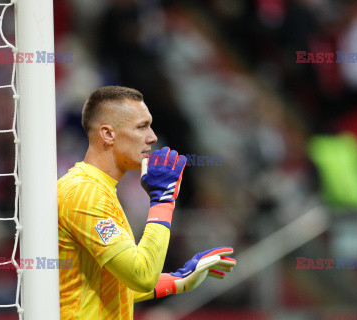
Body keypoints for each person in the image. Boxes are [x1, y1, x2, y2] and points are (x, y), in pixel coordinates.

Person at [57, 86, 236, 319]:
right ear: (108, 135)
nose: (152, 137)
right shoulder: (84, 193)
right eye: (142, 127)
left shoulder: (98, 189)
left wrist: (178, 280)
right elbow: (142, 276)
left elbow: (113, 285)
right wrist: (162, 200)